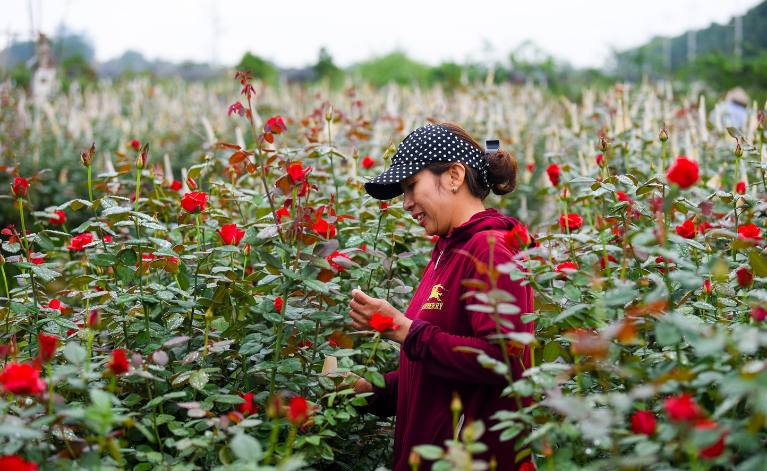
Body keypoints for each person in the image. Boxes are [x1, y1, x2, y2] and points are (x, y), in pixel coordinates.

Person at [347, 122, 534, 470]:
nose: (405, 204)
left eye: (411, 187)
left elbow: (504, 359)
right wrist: (364, 388)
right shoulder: (446, 252)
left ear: (454, 175)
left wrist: (403, 329)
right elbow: (432, 374)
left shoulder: (490, 250)